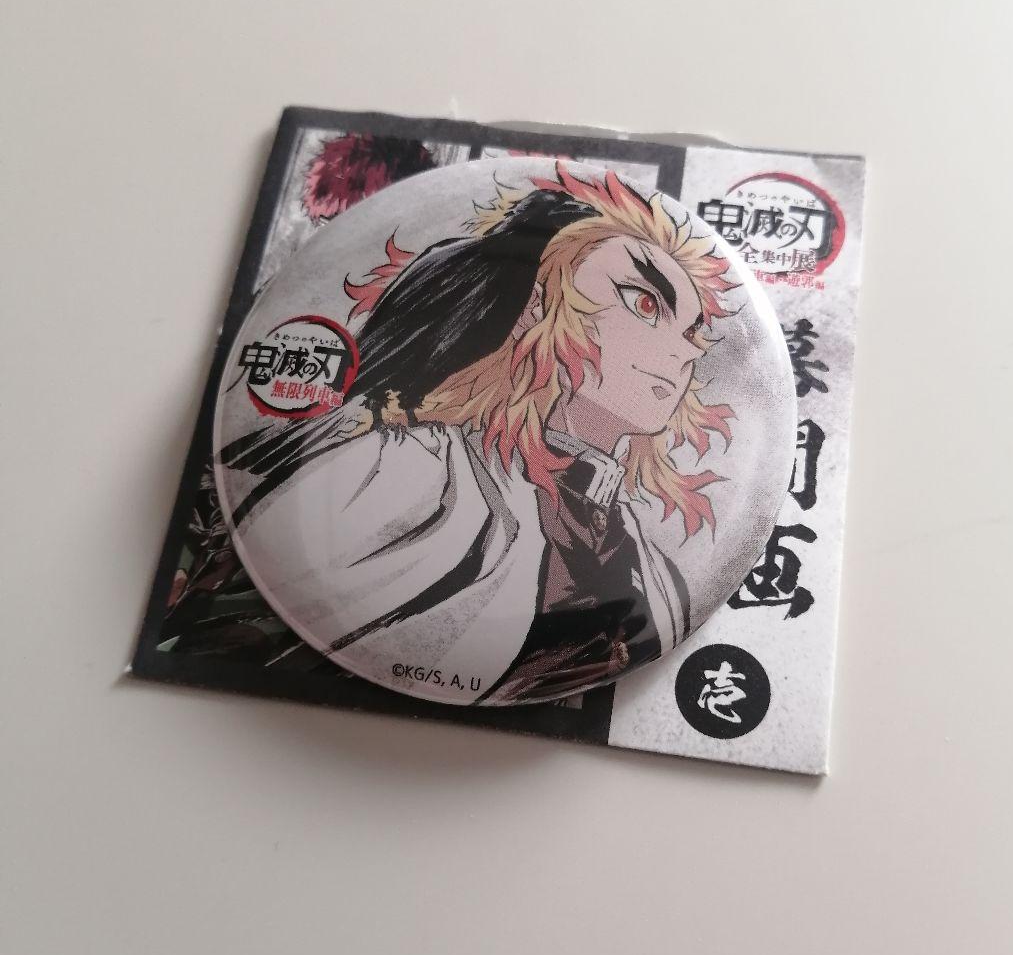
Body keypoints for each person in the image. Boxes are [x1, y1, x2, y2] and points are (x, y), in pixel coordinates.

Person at [221, 164, 738, 704]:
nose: (686, 352)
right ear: (535, 305)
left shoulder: (648, 564)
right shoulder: (410, 471)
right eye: (645, 303)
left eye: (691, 332)